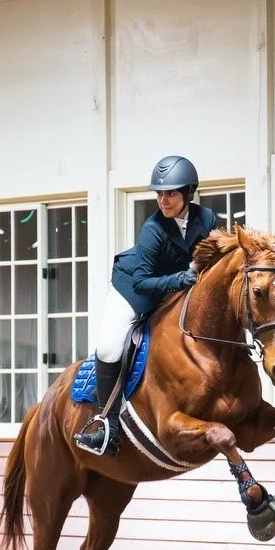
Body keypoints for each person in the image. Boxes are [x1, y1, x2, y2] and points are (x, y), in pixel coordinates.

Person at [75, 156, 217, 456]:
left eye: (171, 194)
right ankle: (106, 426)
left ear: (188, 193)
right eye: (159, 194)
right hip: (133, 291)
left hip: (173, 292)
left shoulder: (207, 220)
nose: (163, 200)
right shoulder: (153, 228)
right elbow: (141, 282)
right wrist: (181, 278)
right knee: (109, 347)